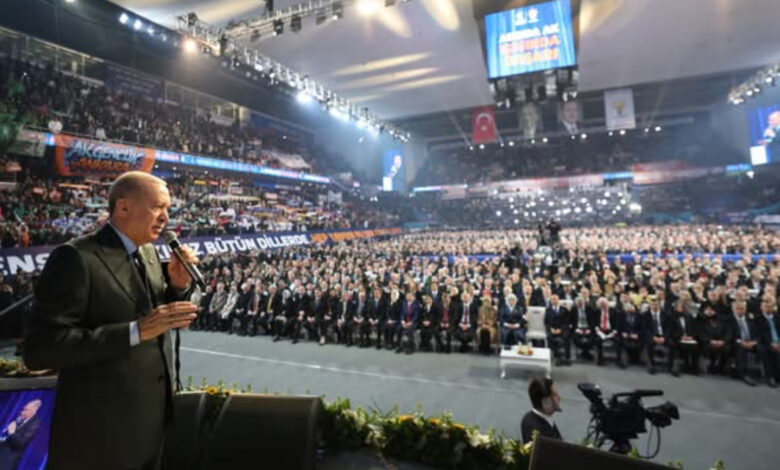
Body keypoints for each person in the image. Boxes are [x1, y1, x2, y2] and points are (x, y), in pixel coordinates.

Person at [23, 171, 198, 470]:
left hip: (150, 425)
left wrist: (177, 287)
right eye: (157, 207)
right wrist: (133, 331)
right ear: (124, 207)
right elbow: (41, 349)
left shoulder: (148, 252)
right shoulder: (76, 257)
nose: (165, 218)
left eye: (167, 209)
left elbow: (153, 318)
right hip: (99, 438)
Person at [0, 399, 42, 470]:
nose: (22, 411)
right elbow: (8, 437)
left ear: (33, 411)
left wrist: (12, 432)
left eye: (26, 409)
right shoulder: (20, 419)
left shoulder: (35, 423)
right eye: (23, 409)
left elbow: (20, 443)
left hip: (7, 460)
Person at [520, 377, 562, 444]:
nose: (559, 398)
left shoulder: (529, 417)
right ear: (546, 402)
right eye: (555, 396)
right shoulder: (540, 430)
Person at [725, 301, 757, 386]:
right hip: (736, 342)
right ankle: (745, 374)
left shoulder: (750, 319)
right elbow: (730, 335)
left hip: (751, 342)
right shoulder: (729, 320)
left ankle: (772, 375)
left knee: (765, 348)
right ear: (733, 309)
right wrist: (741, 342)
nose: (740, 310)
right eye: (737, 308)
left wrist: (754, 342)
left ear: (745, 309)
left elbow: (757, 333)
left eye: (742, 308)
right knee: (741, 349)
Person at [755, 294, 780, 387]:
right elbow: (760, 334)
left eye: (769, 306)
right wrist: (772, 343)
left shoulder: (777, 317)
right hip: (765, 342)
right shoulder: (758, 318)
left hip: (778, 342)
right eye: (765, 305)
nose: (767, 307)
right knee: (767, 351)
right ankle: (771, 377)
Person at [544, 295, 571, 366]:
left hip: (562, 328)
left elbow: (567, 321)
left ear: (558, 300)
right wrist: (551, 328)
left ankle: (567, 357)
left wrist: (561, 329)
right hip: (552, 329)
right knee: (551, 338)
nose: (555, 301)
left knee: (566, 337)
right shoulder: (548, 310)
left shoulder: (564, 310)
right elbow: (546, 322)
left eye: (556, 299)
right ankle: (557, 356)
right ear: (551, 301)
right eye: (553, 299)